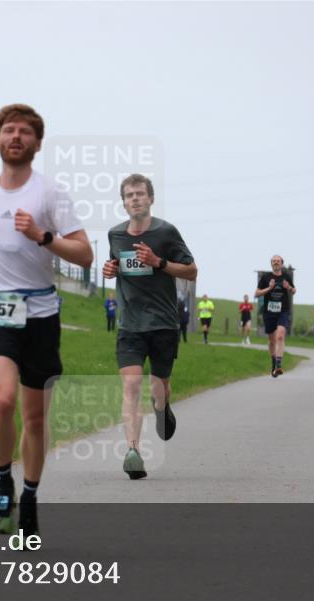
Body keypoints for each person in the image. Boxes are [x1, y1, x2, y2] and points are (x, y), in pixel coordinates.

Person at [0, 103, 93, 536]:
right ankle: (2, 482)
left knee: (34, 418)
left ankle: (30, 495)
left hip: (41, 314)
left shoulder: (50, 194)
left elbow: (85, 254)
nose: (16, 137)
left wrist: (43, 237)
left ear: (37, 144)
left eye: (25, 132)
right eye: (9, 130)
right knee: (3, 401)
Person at [103, 174, 196, 480]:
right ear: (123, 201)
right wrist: (110, 269)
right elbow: (116, 264)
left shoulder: (166, 232)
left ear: (151, 198)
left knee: (159, 387)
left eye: (140, 194)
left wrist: (159, 262)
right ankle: (133, 452)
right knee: (131, 386)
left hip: (163, 323)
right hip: (130, 324)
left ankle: (162, 406)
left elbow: (192, 271)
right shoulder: (115, 235)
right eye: (129, 195)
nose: (135, 199)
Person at [255, 255, 296, 377]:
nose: (276, 263)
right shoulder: (266, 277)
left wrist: (288, 287)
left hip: (283, 311)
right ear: (271, 264)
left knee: (280, 336)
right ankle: (273, 361)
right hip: (269, 312)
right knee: (271, 340)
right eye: (273, 261)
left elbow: (294, 290)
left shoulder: (286, 276)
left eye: (278, 261)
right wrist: (269, 288)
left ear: (282, 263)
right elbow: (256, 293)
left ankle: (278, 365)